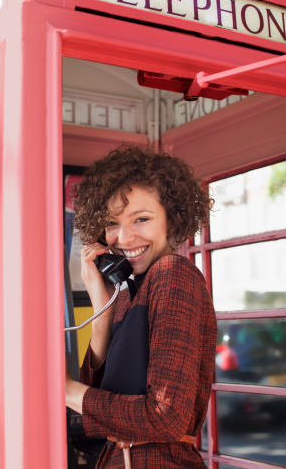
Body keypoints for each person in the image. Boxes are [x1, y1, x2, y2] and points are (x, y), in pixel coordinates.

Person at [65, 145, 217, 468]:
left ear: (171, 221)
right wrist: (100, 303)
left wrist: (63, 390)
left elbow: (166, 417)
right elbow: (97, 397)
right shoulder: (128, 292)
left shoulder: (173, 275)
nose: (123, 237)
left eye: (141, 219)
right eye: (111, 224)